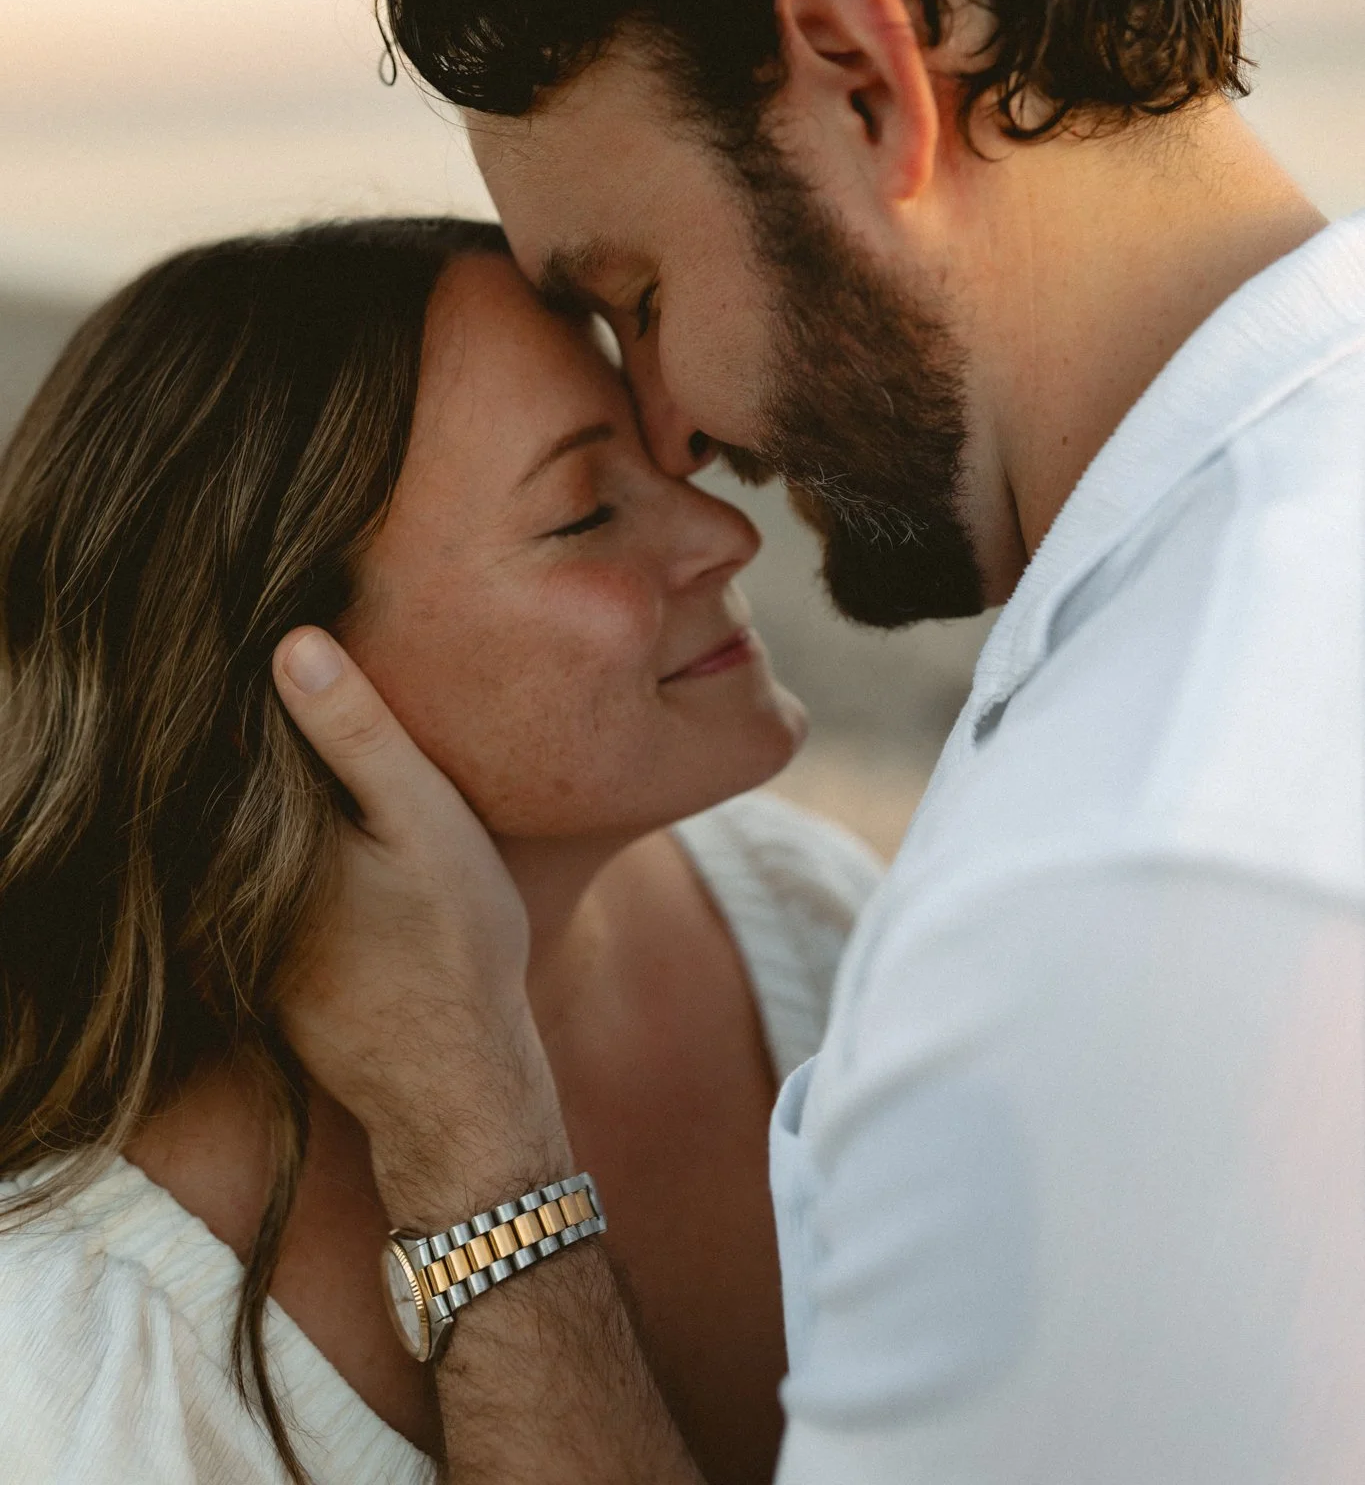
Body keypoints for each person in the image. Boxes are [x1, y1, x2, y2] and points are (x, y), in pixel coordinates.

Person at [266, 0, 1365, 1483]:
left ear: (861, 76)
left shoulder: (1112, 907)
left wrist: (470, 1134)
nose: (670, 425)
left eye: (635, 288)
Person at [0, 216, 882, 1485]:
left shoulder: (809, 918)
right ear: (296, 677)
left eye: (659, 463)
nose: (727, 539)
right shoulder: (92, 1357)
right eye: (586, 513)